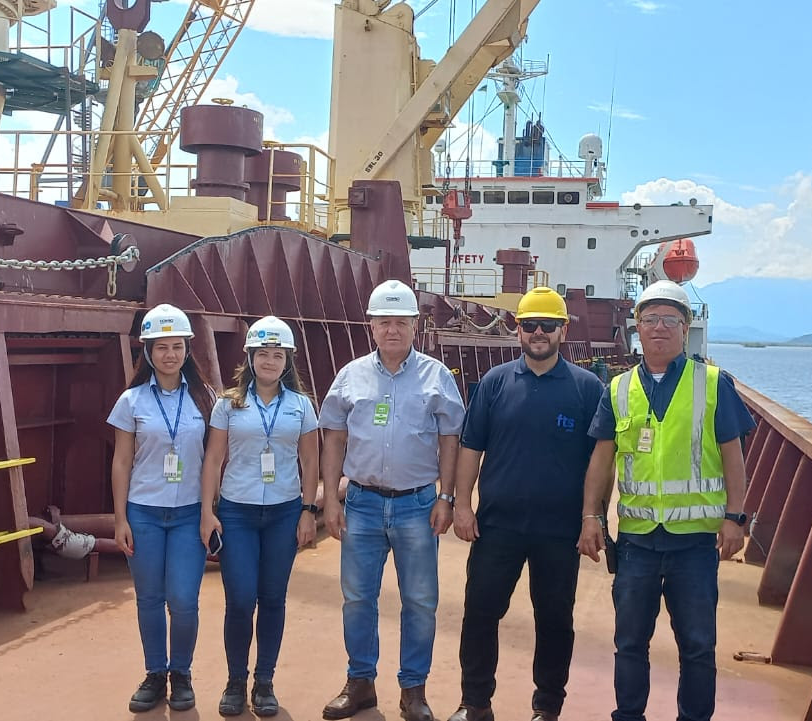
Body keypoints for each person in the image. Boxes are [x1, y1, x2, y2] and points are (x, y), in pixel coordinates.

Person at [576, 280, 755, 721]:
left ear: (685, 327)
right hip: (636, 541)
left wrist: (736, 518)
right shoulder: (618, 388)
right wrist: (590, 517)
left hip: (695, 543)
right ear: (638, 326)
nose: (659, 328)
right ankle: (629, 715)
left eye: (670, 320)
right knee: (630, 642)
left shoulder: (712, 383)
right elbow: (602, 459)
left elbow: (733, 455)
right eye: (650, 319)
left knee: (697, 646)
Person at [446, 288, 605, 721]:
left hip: (560, 531)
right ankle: (475, 703)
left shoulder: (587, 389)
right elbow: (470, 448)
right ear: (517, 330)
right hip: (497, 526)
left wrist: (593, 517)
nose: (538, 333)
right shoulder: (495, 384)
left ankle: (547, 708)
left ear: (562, 330)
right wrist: (462, 505)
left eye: (548, 325)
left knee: (554, 621)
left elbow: (600, 459)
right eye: (530, 325)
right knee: (480, 613)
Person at [318, 279, 466, 721]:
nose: (393, 330)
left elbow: (450, 439)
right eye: (385, 322)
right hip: (361, 504)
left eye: (401, 322)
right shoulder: (351, 376)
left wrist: (446, 497)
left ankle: (413, 691)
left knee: (420, 600)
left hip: (418, 506)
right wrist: (329, 501)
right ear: (372, 327)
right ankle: (360, 683)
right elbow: (333, 439)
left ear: (415, 327)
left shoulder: (435, 376)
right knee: (357, 598)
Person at [199, 316, 322, 717]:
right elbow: (214, 458)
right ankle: (236, 681)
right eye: (262, 353)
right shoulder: (228, 403)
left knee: (272, 599)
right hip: (238, 512)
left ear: (287, 360)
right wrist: (208, 511)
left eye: (277, 354)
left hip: (284, 513)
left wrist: (308, 511)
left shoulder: (301, 406)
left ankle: (264, 682)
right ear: (250, 357)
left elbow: (309, 459)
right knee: (240, 599)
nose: (270, 361)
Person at [108, 304, 216, 714]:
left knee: (184, 599)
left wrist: (209, 511)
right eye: (161, 347)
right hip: (144, 513)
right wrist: (120, 519)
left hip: (189, 513)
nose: (169, 355)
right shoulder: (131, 401)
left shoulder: (205, 399)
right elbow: (121, 461)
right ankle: (155, 674)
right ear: (148, 352)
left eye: (177, 347)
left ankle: (181, 673)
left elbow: (212, 459)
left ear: (188, 350)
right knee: (149, 598)